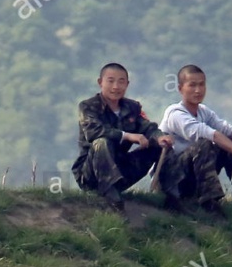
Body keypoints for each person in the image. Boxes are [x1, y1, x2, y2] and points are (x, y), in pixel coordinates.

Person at [72, 63, 182, 212]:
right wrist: (127, 136)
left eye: (121, 81)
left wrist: (160, 137)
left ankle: (172, 198)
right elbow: (93, 132)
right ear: (100, 83)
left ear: (127, 84)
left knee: (160, 144)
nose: (116, 86)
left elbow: (147, 127)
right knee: (101, 142)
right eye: (110, 81)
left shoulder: (132, 107)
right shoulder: (88, 106)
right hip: (91, 174)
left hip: (121, 169)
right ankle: (111, 198)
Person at [159, 64, 232, 214]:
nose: (198, 90)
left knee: (229, 142)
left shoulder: (203, 111)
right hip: (175, 179)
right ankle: (209, 200)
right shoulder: (175, 113)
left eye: (202, 85)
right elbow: (207, 133)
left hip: (195, 174)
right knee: (206, 143)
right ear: (180, 88)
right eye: (192, 85)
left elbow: (231, 131)